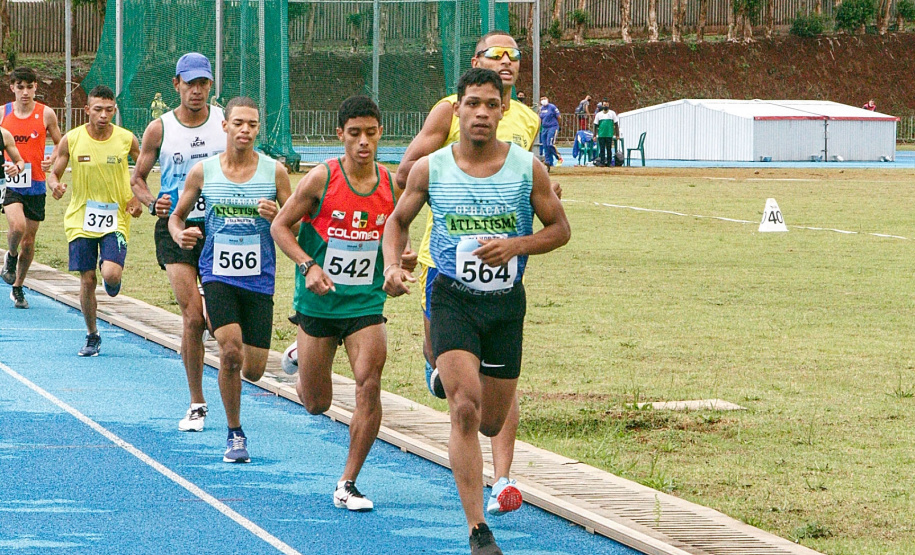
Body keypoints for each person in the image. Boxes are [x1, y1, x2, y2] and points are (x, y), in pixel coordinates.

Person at [383, 68, 570, 555]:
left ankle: (452, 379)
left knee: (490, 419)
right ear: (457, 109)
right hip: (452, 298)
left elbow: (560, 229)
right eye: (473, 104)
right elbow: (396, 221)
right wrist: (393, 266)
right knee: (464, 408)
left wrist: (517, 245)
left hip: (505, 304)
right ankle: (477, 528)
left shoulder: (527, 168)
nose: (482, 113)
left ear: (503, 110)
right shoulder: (431, 168)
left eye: (491, 104)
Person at [395, 30, 544, 519]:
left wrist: (526, 203)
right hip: (444, 265)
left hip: (503, 273)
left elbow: (540, 197)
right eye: (495, 54)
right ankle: (480, 514)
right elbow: (406, 172)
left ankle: (503, 475)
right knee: (459, 389)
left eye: (513, 54)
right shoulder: (447, 110)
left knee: (491, 401)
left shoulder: (528, 119)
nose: (506, 60)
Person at [272, 95, 402, 511]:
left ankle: (348, 482)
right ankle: (300, 354)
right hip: (319, 304)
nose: (363, 142)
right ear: (340, 134)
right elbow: (280, 226)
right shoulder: (321, 179)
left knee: (369, 383)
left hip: (365, 304)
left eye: (371, 133)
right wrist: (308, 265)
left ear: (380, 133)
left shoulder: (391, 184)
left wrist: (399, 265)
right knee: (317, 403)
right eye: (355, 133)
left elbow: (397, 235)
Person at [168, 96, 291, 463]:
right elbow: (176, 216)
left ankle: (233, 335)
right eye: (239, 123)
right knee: (231, 352)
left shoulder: (275, 172)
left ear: (258, 129)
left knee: (253, 368)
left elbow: (297, 224)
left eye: (252, 124)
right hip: (217, 275)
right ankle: (235, 433)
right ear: (225, 126)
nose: (245, 130)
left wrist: (278, 216)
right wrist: (179, 234)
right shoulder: (204, 172)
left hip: (259, 279)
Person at [131, 52, 226, 433]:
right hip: (175, 227)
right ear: (177, 85)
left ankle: (195, 351)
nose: (196, 91)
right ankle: (197, 402)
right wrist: (152, 202)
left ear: (210, 85)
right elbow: (137, 178)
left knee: (219, 324)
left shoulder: (224, 122)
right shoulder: (160, 129)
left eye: (203, 83)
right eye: (190, 84)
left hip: (220, 228)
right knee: (193, 317)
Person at [47, 85, 143, 356]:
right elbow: (54, 173)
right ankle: (92, 334)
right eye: (98, 109)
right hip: (81, 217)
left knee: (110, 275)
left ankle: (112, 281)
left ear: (115, 110)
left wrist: (137, 199)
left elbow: (143, 171)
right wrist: (55, 186)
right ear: (87, 109)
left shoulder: (127, 139)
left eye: (109, 110)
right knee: (87, 279)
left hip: (116, 216)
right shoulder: (72, 138)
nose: (103, 115)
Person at [1, 67, 63, 309]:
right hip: (11, 182)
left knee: (29, 240)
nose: (25, 92)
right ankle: (11, 255)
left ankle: (18, 286)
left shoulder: (46, 114)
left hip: (35, 182)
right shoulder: (3, 113)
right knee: (17, 227)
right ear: (12, 88)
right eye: (20, 87)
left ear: (36, 87)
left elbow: (60, 143)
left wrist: (51, 159)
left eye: (29, 87)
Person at [592, 102, 619, 167]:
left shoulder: (612, 113)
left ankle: (609, 163)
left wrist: (617, 134)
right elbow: (595, 125)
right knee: (602, 149)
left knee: (609, 149)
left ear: (609, 105)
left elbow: (616, 124)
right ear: (602, 106)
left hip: (609, 134)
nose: (605, 106)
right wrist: (594, 135)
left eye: (607, 105)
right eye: (604, 105)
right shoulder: (598, 114)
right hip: (601, 135)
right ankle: (602, 162)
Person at [538, 96, 560, 169]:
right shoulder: (541, 109)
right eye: (541, 99)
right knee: (545, 146)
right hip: (544, 128)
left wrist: (557, 126)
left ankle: (558, 157)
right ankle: (548, 162)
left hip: (552, 127)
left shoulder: (552, 107)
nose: (543, 100)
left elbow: (559, 117)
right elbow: (539, 118)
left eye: (544, 99)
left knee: (550, 144)